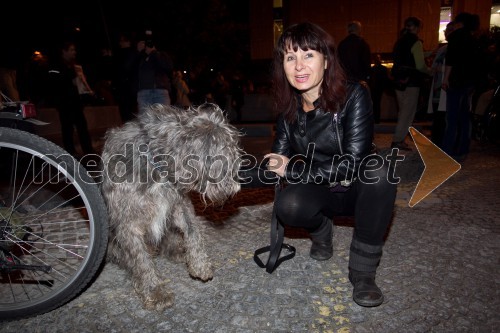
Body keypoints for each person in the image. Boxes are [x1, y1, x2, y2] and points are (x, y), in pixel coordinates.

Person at [263, 22, 397, 307]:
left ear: (326, 61)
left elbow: (351, 164)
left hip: (356, 189)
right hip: (319, 189)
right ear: (283, 66)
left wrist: (291, 168)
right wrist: (227, 173)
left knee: (380, 173)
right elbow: (276, 162)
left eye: (308, 55)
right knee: (288, 205)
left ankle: (363, 274)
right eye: (290, 57)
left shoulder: (355, 96)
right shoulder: (288, 109)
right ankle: (322, 231)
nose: (299, 66)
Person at [442, 13, 480, 162]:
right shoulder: (472, 39)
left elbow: (450, 61)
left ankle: (447, 150)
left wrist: (445, 79)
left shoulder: (455, 38)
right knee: (464, 116)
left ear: (460, 23)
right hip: (469, 82)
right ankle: (463, 148)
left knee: (451, 118)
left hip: (456, 81)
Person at [390, 17, 432, 150]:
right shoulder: (416, 42)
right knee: (407, 113)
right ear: (418, 27)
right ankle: (398, 140)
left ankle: (399, 139)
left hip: (399, 80)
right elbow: (420, 66)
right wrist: (431, 71)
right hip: (412, 82)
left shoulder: (399, 41)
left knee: (403, 111)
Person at [47, 41, 94, 156]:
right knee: (67, 129)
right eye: (71, 50)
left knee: (82, 127)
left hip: (76, 102)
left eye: (74, 50)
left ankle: (88, 151)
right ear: (64, 51)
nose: (74, 52)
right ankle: (70, 152)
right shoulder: (56, 65)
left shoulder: (75, 65)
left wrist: (85, 87)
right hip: (64, 103)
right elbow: (53, 82)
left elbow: (79, 81)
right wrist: (70, 80)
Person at [427, 22, 454, 146]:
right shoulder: (444, 49)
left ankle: (440, 142)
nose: (445, 33)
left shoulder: (446, 49)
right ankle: (441, 141)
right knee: (441, 117)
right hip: (441, 88)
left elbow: (434, 68)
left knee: (442, 117)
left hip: (443, 88)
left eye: (447, 31)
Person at [136, 30, 174, 113]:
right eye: (145, 42)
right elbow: (127, 68)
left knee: (163, 121)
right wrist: (137, 51)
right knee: (145, 122)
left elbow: (168, 67)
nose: (148, 45)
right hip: (143, 93)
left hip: (160, 92)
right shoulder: (139, 56)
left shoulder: (161, 54)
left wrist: (153, 53)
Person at [113, 31, 139, 122]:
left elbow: (126, 67)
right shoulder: (121, 54)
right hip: (123, 90)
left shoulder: (133, 53)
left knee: (129, 116)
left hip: (129, 90)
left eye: (122, 41)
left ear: (128, 41)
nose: (120, 43)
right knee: (126, 116)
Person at [369, 54, 390, 123]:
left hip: (376, 88)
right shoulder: (381, 69)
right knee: (376, 104)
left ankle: (376, 119)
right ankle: (376, 119)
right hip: (376, 88)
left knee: (375, 104)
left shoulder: (373, 69)